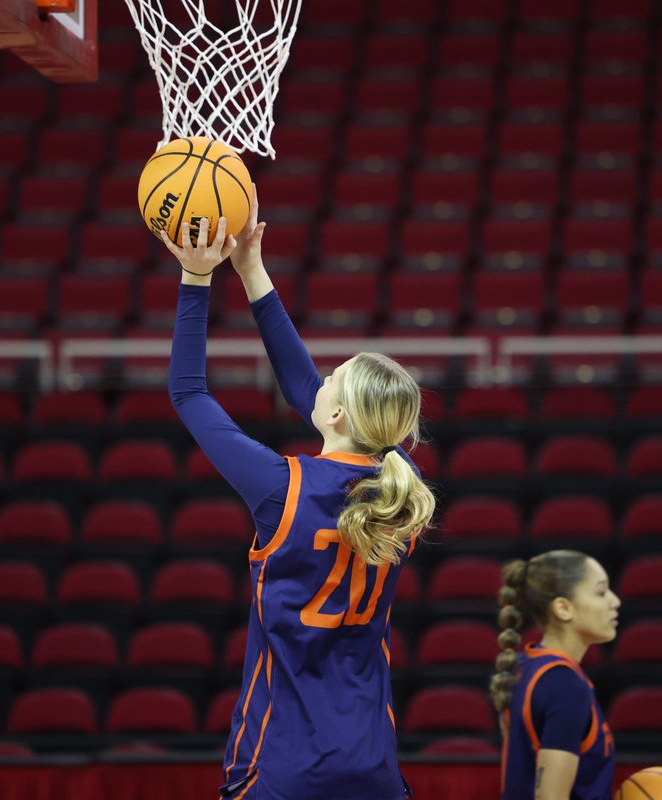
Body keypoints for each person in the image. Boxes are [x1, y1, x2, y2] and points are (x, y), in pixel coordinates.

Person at [159, 190, 436, 800]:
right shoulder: (397, 503)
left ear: (336, 411)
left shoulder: (281, 488)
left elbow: (188, 393)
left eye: (331, 376)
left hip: (283, 763)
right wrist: (254, 274)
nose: (320, 377)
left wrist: (195, 276)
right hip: (371, 766)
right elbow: (304, 387)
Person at [491, 550, 620, 800]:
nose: (615, 601)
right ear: (563, 608)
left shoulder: (524, 665)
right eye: (601, 592)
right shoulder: (565, 684)